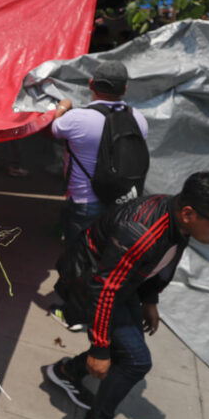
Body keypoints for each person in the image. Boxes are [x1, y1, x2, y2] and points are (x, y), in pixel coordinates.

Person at [46, 171, 209, 419]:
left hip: (120, 283)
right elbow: (104, 288)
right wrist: (99, 348)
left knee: (127, 352)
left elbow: (165, 259)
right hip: (90, 284)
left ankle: (66, 371)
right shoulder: (142, 232)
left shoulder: (177, 218)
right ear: (189, 213)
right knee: (136, 360)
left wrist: (150, 299)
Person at [48, 61, 148, 331]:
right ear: (125, 89)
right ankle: (99, 303)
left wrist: (62, 106)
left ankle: (77, 315)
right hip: (121, 203)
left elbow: (55, 129)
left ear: (91, 85)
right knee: (105, 257)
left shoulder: (77, 118)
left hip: (84, 203)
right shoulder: (138, 118)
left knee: (79, 260)